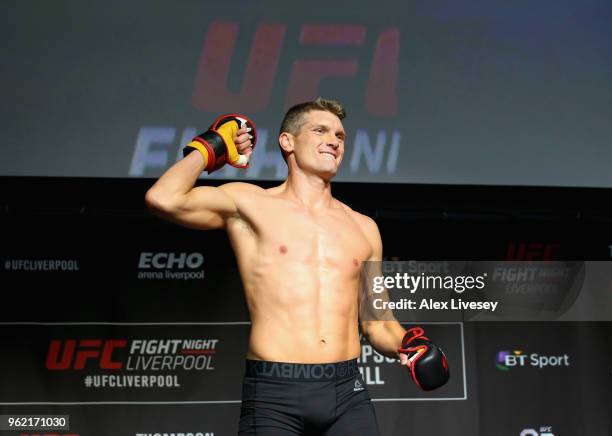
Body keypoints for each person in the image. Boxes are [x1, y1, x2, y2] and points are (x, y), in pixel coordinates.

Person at [145, 98, 448, 435]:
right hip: (275, 394)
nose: (334, 140)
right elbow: (164, 198)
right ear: (287, 141)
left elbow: (378, 321)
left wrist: (410, 344)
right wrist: (211, 144)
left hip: (346, 391)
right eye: (320, 130)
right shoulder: (250, 204)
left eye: (340, 135)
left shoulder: (364, 228)